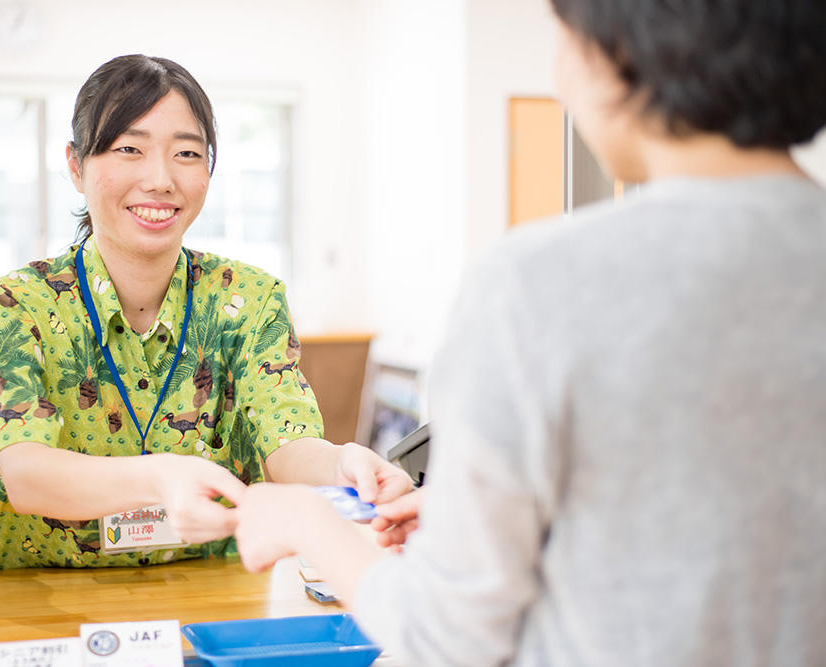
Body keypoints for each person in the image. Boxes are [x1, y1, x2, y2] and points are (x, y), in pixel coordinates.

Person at [234, 1, 826, 665]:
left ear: (620, 52)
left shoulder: (538, 283)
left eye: (565, 40)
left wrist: (304, 521)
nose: (558, 78)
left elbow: (447, 638)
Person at [0, 55, 413, 571]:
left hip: (211, 597)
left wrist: (342, 463)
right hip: (45, 602)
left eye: (187, 153)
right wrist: (159, 476)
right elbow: (26, 474)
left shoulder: (248, 301)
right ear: (75, 165)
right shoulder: (17, 303)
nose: (160, 179)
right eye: (129, 148)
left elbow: (288, 444)